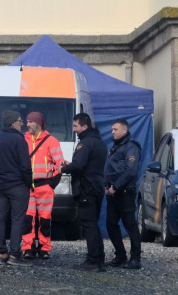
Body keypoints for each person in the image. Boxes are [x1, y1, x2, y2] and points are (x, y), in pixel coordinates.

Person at [60, 112, 108, 271]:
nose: (74, 129)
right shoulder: (99, 142)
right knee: (93, 223)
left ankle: (93, 261)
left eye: (75, 126)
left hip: (87, 187)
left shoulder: (85, 143)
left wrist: (63, 168)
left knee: (88, 224)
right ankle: (99, 259)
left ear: (84, 126)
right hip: (97, 186)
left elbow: (79, 165)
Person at [0, 110, 33, 267]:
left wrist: (0, 176)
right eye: (20, 121)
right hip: (18, 185)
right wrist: (28, 182)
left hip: (3, 185)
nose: (22, 124)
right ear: (13, 122)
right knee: (17, 220)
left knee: (0, 218)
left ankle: (1, 253)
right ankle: (15, 255)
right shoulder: (19, 140)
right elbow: (25, 166)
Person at [22, 111, 64, 260]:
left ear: (38, 124)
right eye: (26, 122)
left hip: (44, 186)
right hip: (28, 187)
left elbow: (60, 164)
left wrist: (52, 183)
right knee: (27, 219)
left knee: (45, 219)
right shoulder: (23, 140)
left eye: (30, 122)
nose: (27, 125)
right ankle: (28, 247)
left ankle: (44, 248)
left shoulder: (51, 141)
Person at [104, 118, 143, 270]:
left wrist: (116, 186)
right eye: (112, 129)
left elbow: (131, 171)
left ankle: (135, 259)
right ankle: (120, 255)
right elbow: (112, 170)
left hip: (125, 192)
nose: (112, 132)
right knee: (111, 223)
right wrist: (107, 186)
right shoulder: (116, 147)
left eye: (115, 129)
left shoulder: (131, 147)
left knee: (130, 225)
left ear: (124, 130)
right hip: (113, 193)